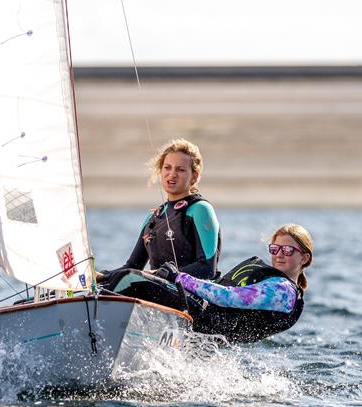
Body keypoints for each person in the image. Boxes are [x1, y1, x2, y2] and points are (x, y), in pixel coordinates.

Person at [99, 138, 221, 300]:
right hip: (157, 294)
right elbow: (132, 266)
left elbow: (207, 269)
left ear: (194, 176)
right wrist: (101, 276)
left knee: (129, 279)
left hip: (192, 298)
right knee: (105, 284)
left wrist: (158, 274)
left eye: (181, 169)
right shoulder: (153, 218)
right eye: (167, 168)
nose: (172, 174)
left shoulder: (200, 209)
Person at [151, 223, 314, 342]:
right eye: (275, 249)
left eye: (287, 250)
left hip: (207, 322)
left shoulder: (283, 291)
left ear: (304, 258)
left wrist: (179, 277)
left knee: (137, 282)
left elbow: (225, 297)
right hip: (204, 326)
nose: (279, 255)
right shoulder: (272, 281)